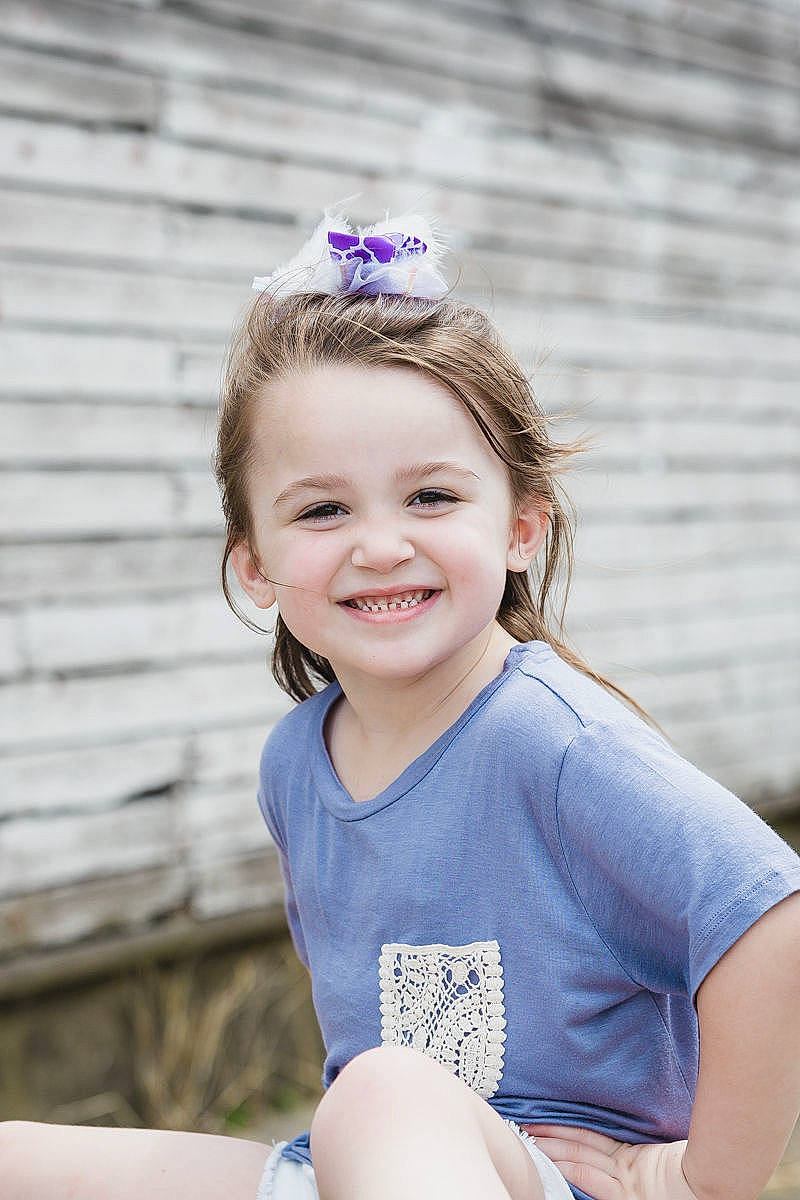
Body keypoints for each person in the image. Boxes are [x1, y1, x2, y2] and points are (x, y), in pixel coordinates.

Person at [3, 205, 800, 1200]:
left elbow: (769, 915)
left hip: (550, 1177)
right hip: (365, 1170)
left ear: (519, 527)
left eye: (429, 496)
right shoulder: (295, 763)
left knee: (381, 1094)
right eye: (323, 508)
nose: (380, 544)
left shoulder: (552, 742)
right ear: (254, 565)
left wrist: (699, 1179)